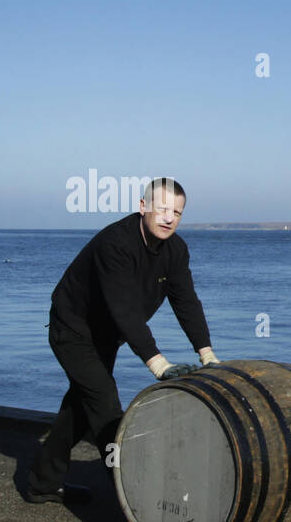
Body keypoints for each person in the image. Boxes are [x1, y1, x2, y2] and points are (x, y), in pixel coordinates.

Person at [24, 177, 220, 504]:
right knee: (104, 403)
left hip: (107, 334)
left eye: (177, 212)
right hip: (73, 329)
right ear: (143, 207)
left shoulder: (176, 250)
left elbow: (186, 301)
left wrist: (207, 354)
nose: (169, 218)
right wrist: (158, 363)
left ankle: (42, 483)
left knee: (80, 409)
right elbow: (124, 309)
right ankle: (135, 494)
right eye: (161, 209)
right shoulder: (115, 244)